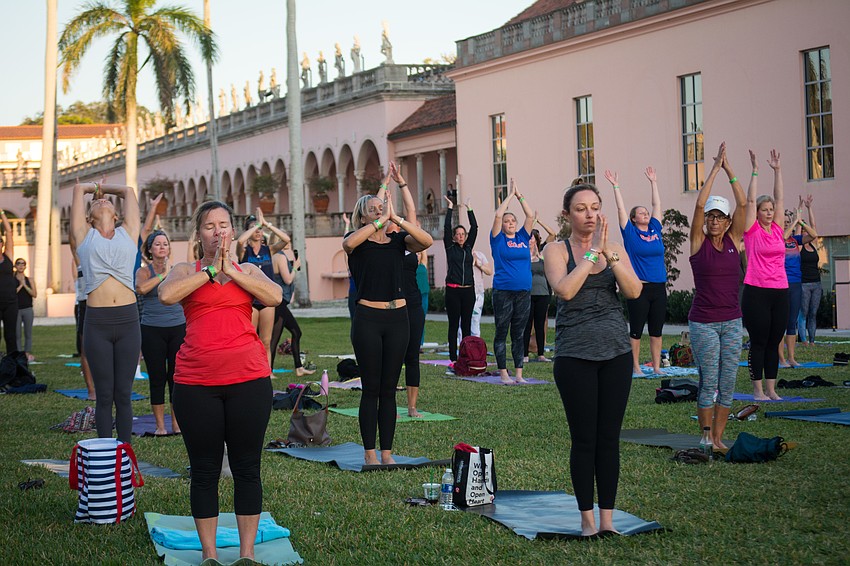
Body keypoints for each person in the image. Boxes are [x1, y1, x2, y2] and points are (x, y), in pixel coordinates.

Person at [159, 201, 281, 563]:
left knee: (247, 468)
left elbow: (273, 296)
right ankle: (210, 555)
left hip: (249, 380)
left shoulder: (247, 271)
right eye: (210, 226)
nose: (218, 231)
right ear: (200, 234)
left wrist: (232, 270)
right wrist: (212, 271)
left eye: (224, 225)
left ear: (232, 230)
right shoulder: (186, 270)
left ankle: (247, 555)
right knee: (205, 470)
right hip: (197, 384)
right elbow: (166, 296)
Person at [543, 182, 642, 537]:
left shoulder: (612, 248)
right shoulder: (555, 249)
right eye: (582, 208)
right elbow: (565, 290)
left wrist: (608, 255)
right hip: (574, 356)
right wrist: (590, 254)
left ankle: (608, 521)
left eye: (595, 207)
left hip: (616, 352)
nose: (590, 214)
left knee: (609, 439)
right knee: (584, 439)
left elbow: (633, 291)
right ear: (568, 214)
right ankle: (587, 522)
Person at [343, 185, 432, 465]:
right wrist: (381, 222)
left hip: (398, 319)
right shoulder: (356, 241)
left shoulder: (398, 241)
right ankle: (370, 452)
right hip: (368, 320)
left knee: (390, 389)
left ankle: (387, 453)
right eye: (373, 210)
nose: (379, 212)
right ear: (362, 217)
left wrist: (399, 219)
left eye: (382, 208)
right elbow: (348, 245)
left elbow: (426, 241)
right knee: (372, 388)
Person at [688, 143, 748, 450]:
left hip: (732, 322)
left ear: (727, 222)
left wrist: (730, 170)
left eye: (719, 217)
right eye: (710, 216)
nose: (713, 221)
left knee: (728, 383)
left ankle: (719, 438)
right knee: (709, 380)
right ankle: (705, 435)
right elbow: (698, 207)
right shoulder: (698, 242)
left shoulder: (735, 240)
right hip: (704, 323)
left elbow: (744, 204)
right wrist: (713, 169)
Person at [71, 179, 141, 443]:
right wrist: (91, 188)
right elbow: (78, 190)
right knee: (104, 395)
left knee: (123, 394)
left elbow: (128, 191)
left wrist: (104, 189)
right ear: (89, 216)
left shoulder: (129, 232)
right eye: (96, 202)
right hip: (97, 323)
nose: (102, 201)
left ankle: (124, 455)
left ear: (117, 214)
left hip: (127, 321)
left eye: (107, 202)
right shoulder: (83, 235)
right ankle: (104, 453)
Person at [604, 167, 667, 376]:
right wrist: (616, 186)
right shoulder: (630, 233)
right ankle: (636, 366)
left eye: (646, 213)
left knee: (657, 331)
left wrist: (654, 182)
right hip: (639, 287)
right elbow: (620, 210)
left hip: (659, 287)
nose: (646, 214)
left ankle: (657, 367)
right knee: (637, 330)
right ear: (633, 218)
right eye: (641, 213)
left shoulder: (655, 229)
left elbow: (657, 205)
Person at [378, 163, 426, 417]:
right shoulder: (382, 242)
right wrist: (385, 182)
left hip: (413, 303)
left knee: (412, 356)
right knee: (391, 356)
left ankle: (412, 406)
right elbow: (374, 207)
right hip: (391, 305)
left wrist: (402, 182)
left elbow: (412, 210)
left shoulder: (408, 242)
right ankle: (388, 404)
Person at [741, 149, 789, 401]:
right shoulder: (751, 231)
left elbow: (781, 200)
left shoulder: (778, 230)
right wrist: (756, 170)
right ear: (758, 213)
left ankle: (772, 389)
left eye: (771, 209)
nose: (770, 212)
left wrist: (778, 171)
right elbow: (749, 201)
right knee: (758, 342)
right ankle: (758, 390)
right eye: (765, 209)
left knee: (774, 341)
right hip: (756, 291)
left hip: (780, 291)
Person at [135, 230, 186, 436]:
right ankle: (160, 426)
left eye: (165, 244)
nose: (162, 247)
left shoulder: (178, 270)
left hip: (177, 328)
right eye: (157, 244)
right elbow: (141, 289)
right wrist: (162, 275)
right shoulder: (144, 272)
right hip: (152, 329)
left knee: (176, 377)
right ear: (150, 249)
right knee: (157, 378)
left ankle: (176, 424)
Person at [490, 180, 535, 384]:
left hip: (523, 292)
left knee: (519, 333)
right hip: (503, 291)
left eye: (512, 221)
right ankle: (503, 373)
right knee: (502, 331)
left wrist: (520, 196)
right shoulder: (498, 239)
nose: (509, 223)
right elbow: (498, 215)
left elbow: (530, 215)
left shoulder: (523, 237)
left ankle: (518, 374)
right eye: (507, 221)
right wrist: (509, 196)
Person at [236, 209, 291, 367]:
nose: (259, 231)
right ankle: (250, 372)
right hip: (250, 302)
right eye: (255, 228)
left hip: (266, 301)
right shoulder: (244, 252)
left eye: (260, 229)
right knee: (250, 340)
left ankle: (266, 374)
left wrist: (267, 225)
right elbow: (240, 242)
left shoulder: (269, 250)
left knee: (265, 341)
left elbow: (286, 239)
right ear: (249, 230)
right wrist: (256, 225)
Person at [778, 199, 818, 367]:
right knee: (780, 322)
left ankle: (792, 358)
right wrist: (794, 221)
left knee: (792, 321)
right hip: (781, 283)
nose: (788, 225)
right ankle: (780, 359)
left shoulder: (795, 240)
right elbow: (784, 235)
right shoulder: (776, 238)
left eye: (789, 222)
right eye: (785, 222)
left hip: (795, 283)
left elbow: (814, 235)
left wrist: (800, 220)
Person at [269, 242, 314, 377]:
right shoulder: (279, 257)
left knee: (295, 333)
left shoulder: (272, 256)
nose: (288, 242)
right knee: (275, 338)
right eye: (286, 240)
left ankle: (298, 368)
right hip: (279, 301)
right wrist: (295, 267)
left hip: (278, 301)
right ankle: (269, 371)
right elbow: (288, 280)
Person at [443, 195, 478, 363]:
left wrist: (469, 209)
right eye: (458, 234)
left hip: (468, 291)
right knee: (453, 324)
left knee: (466, 325)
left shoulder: (469, 247)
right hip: (453, 290)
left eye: (463, 234)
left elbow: (475, 227)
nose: (461, 236)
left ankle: (465, 355)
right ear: (454, 237)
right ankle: (452, 356)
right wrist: (450, 208)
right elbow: (446, 229)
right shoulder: (450, 248)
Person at [523, 226, 552, 363]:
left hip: (543, 294)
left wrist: (538, 220)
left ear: (536, 240)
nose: (530, 240)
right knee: (527, 324)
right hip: (527, 294)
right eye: (528, 238)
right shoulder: (522, 255)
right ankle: (525, 355)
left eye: (532, 238)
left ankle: (541, 354)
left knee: (540, 325)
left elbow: (553, 234)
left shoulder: (541, 254)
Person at [798, 195, 823, 345]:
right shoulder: (799, 245)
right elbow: (798, 228)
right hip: (804, 284)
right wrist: (799, 211)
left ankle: (812, 340)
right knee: (803, 313)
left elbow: (814, 227)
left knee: (813, 313)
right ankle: (804, 340)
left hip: (817, 283)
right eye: (803, 231)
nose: (806, 233)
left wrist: (809, 208)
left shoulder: (813, 244)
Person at [0, 210, 18, 354]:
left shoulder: (8, 256)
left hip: (10, 302)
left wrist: (1, 213)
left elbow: (9, 231)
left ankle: (13, 361)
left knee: (10, 335)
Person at [15, 258, 36, 360]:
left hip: (27, 309)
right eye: (18, 263)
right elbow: (11, 293)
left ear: (25, 266)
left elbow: (34, 294)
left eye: (23, 264)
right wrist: (20, 285)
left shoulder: (30, 280)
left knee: (28, 333)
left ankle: (27, 353)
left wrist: (25, 285)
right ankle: (19, 354)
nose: (21, 265)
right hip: (16, 309)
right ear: (15, 266)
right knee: (17, 333)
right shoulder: (12, 279)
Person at [470, 250, 492, 338]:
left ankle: (476, 341)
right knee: (462, 320)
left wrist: (478, 264)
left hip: (478, 292)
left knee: (475, 318)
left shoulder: (479, 255)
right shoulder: (459, 253)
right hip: (464, 291)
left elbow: (489, 271)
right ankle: (462, 342)